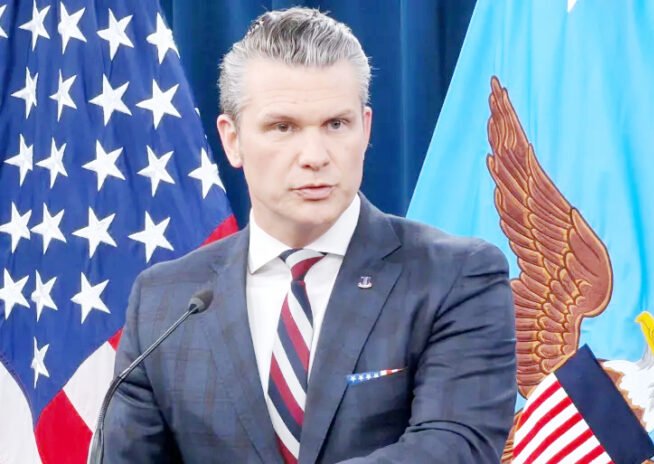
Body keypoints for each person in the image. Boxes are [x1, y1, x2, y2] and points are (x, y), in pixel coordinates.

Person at [104, 7, 516, 463]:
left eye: (336, 125)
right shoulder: (164, 302)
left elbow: (454, 447)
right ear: (232, 140)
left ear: (366, 129)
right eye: (283, 127)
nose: (315, 156)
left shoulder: (454, 276)